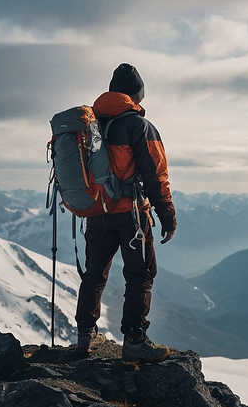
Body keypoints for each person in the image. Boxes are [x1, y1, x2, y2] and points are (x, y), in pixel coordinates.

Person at [76, 63, 177, 363]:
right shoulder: (139, 126)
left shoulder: (90, 124)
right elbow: (156, 176)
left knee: (94, 273)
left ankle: (85, 336)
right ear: (137, 95)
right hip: (130, 214)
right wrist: (168, 217)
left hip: (97, 211)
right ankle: (134, 340)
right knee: (141, 273)